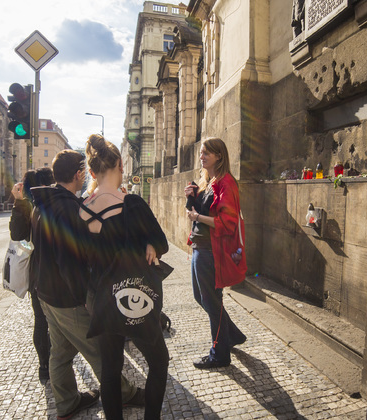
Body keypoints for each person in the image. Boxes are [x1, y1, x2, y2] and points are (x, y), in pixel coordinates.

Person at [30, 150, 143, 419]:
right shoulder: (67, 208)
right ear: (79, 174)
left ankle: (67, 402)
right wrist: (83, 297)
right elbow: (68, 259)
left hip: (45, 291)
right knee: (98, 351)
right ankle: (123, 394)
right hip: (66, 297)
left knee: (60, 352)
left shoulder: (43, 202)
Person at [79, 134, 170, 420]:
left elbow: (77, 259)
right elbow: (162, 242)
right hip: (133, 295)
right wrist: (151, 244)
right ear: (120, 164)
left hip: (101, 299)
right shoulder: (133, 205)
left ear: (92, 171)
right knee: (159, 361)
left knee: (110, 369)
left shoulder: (81, 210)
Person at [184, 138, 247, 369]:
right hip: (200, 247)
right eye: (201, 153)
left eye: (207, 153)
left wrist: (198, 217)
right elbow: (200, 211)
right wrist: (191, 197)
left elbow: (228, 223)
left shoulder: (226, 183)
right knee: (201, 297)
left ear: (219, 156)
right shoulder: (208, 182)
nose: (202, 156)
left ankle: (219, 355)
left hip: (212, 251)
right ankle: (233, 335)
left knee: (211, 301)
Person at [8, 168, 55, 383]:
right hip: (51, 273)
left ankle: (45, 366)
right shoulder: (47, 205)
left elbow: (18, 237)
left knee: (41, 320)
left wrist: (19, 202)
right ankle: (54, 362)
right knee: (51, 321)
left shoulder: (26, 205)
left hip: (36, 274)